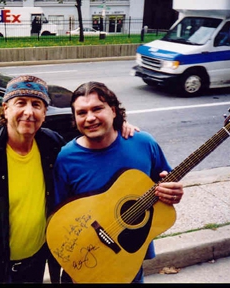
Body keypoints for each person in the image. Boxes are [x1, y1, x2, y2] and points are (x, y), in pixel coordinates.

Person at [0, 75, 139, 283]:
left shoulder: (50, 145)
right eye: (21, 103)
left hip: (34, 266)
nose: (29, 112)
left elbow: (89, 135)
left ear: (44, 113)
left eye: (37, 104)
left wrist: (120, 125)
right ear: (5, 109)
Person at [53, 81, 184, 283]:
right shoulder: (66, 158)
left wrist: (173, 194)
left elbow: (166, 182)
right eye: (82, 112)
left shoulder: (143, 143)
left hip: (128, 261)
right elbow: (59, 218)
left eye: (97, 109)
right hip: (85, 265)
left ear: (113, 111)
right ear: (75, 118)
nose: (90, 118)